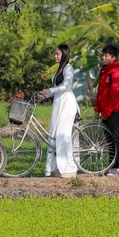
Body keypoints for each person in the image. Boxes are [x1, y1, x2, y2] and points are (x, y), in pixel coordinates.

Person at [40, 44, 80, 178]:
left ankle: (69, 169)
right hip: (58, 103)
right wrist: (44, 95)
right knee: (54, 135)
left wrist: (50, 90)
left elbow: (65, 86)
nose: (55, 56)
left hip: (67, 104)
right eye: (55, 53)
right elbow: (57, 90)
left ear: (64, 54)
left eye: (57, 54)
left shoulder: (69, 68)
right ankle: (58, 168)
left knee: (63, 134)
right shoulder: (59, 69)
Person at [94, 44, 119, 176]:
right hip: (105, 111)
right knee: (108, 139)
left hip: (115, 110)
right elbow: (101, 93)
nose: (103, 57)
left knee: (117, 138)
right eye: (102, 55)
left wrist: (107, 112)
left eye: (106, 55)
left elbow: (115, 95)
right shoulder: (104, 71)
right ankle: (111, 165)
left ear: (113, 57)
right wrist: (97, 108)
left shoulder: (117, 73)